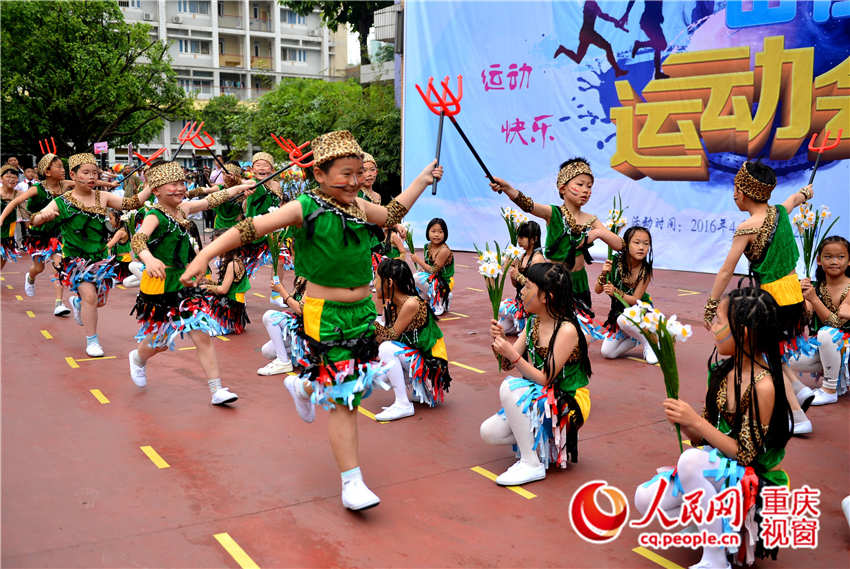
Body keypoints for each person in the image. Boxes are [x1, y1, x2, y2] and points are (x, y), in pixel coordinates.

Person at [178, 130, 443, 510]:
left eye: (358, 173)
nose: (354, 181)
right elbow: (249, 228)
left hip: (361, 313)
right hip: (325, 314)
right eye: (346, 174)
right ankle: (352, 482)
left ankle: (302, 386)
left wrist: (421, 179)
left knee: (343, 381)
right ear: (319, 173)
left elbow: (391, 214)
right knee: (345, 396)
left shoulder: (359, 207)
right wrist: (204, 257)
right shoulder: (304, 207)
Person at [634, 287, 793, 569]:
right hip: (718, 468)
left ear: (743, 333)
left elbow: (744, 455)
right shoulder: (722, 372)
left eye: (719, 321)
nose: (712, 328)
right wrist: (686, 424)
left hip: (752, 481)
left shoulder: (764, 386)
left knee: (690, 461)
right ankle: (706, 524)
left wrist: (696, 422)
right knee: (644, 499)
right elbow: (704, 440)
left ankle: (716, 559)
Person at [127, 159, 254, 404]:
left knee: (201, 333)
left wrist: (240, 188)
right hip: (160, 285)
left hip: (185, 283)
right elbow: (138, 240)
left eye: (182, 183)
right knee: (159, 342)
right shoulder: (154, 215)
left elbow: (212, 200)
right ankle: (138, 358)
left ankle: (217, 390)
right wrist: (149, 259)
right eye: (173, 184)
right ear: (156, 190)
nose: (180, 188)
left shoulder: (183, 209)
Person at [704, 161, 813, 434]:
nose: (733, 194)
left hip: (771, 301)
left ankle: (797, 416)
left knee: (764, 359)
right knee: (772, 350)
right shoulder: (779, 213)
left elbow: (726, 270)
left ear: (743, 192)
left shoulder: (747, 227)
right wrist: (804, 194)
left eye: (736, 189)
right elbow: (792, 200)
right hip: (794, 296)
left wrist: (711, 305)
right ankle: (799, 389)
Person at [29, 153, 153, 356]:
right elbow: (34, 219)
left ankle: (78, 303)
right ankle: (92, 341)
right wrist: (43, 217)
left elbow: (131, 203)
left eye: (94, 173)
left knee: (99, 301)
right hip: (75, 261)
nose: (91, 176)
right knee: (90, 297)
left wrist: (152, 184)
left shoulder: (102, 197)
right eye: (86, 172)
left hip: (100, 261)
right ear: (73, 175)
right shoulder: (62, 201)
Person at [481, 262, 591, 486]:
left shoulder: (567, 329)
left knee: (509, 387)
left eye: (528, 287)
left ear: (546, 297)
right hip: (542, 395)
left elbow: (544, 378)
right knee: (489, 432)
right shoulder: (533, 322)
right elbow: (506, 364)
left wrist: (512, 353)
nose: (522, 291)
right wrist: (500, 341)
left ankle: (531, 463)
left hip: (567, 400)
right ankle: (539, 445)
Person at [489, 158, 624, 332]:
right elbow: (527, 205)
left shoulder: (591, 220)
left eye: (589, 186)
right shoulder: (553, 213)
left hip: (579, 282)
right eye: (580, 184)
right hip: (555, 280)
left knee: (579, 329)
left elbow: (619, 245)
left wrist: (599, 233)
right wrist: (508, 188)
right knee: (551, 326)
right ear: (562, 188)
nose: (586, 190)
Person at [373, 258, 452, 421]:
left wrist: (368, 322)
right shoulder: (392, 304)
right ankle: (414, 392)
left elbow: (390, 336)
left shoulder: (411, 303)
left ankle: (403, 404)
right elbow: (381, 336)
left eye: (376, 278)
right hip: (417, 364)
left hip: (430, 370)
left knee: (386, 349)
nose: (374, 283)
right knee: (374, 375)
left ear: (389, 283)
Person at [0, 152, 74, 316]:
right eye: (59, 167)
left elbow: (86, 183)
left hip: (57, 233)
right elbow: (14, 202)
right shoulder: (36, 189)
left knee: (59, 266)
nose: (63, 170)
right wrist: (2, 218)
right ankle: (31, 277)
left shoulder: (64, 184)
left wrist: (109, 183)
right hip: (38, 235)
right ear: (47, 171)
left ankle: (59, 303)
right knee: (38, 267)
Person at [788, 236, 850, 405]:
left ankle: (829, 390)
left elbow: (836, 325)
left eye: (840, 257)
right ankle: (798, 390)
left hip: (845, 349)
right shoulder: (817, 287)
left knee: (827, 333)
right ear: (819, 260)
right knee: (783, 357)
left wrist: (814, 299)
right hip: (827, 349)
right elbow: (805, 318)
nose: (834, 261)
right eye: (828, 257)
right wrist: (799, 297)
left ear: (849, 261)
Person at [595, 225, 656, 363]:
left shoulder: (645, 270)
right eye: (637, 243)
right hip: (619, 312)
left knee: (623, 320)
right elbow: (597, 290)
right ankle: (635, 338)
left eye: (646, 244)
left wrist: (616, 292)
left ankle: (650, 343)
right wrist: (604, 272)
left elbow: (635, 300)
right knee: (608, 352)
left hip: (639, 311)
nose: (641, 247)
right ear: (626, 244)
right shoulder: (615, 261)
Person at [498, 220, 545, 335]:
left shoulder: (537, 259)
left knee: (503, 307)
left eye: (522, 237)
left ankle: (525, 323)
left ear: (534, 239)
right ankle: (521, 323)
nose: (519, 240)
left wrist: (518, 275)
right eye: (518, 237)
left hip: (531, 306)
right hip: (520, 302)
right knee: (501, 328)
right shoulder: (523, 256)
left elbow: (536, 288)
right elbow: (516, 285)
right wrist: (512, 273)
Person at [201, 249, 250, 335]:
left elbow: (223, 290)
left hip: (231, 307)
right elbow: (225, 286)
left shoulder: (232, 264)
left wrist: (207, 287)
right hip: (235, 305)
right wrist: (208, 282)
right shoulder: (237, 261)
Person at [411, 218, 454, 316]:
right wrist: (422, 269)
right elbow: (427, 267)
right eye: (433, 231)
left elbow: (433, 270)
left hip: (442, 282)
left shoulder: (444, 251)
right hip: (432, 279)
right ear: (428, 232)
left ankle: (440, 299)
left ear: (445, 234)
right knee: (416, 279)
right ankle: (432, 297)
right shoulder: (427, 246)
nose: (436, 235)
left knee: (416, 277)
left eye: (440, 232)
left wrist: (418, 261)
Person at [0, 165, 22, 268]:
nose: (11, 179)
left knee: (4, 253)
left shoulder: (20, 194)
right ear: (1, 178)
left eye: (14, 177)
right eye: (8, 176)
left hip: (9, 228)